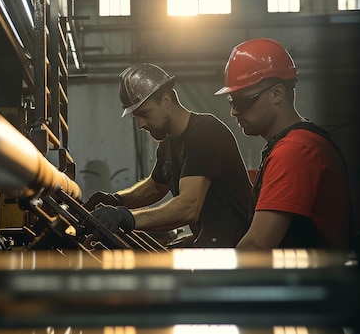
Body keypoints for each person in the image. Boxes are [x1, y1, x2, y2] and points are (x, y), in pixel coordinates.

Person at [83, 63, 253, 247]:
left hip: (242, 253)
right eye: (136, 117)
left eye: (145, 113)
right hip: (215, 247)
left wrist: (127, 217)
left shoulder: (204, 133)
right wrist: (117, 200)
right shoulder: (169, 142)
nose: (140, 124)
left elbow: (188, 207)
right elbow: (156, 187)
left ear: (166, 100)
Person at [214, 38, 352, 250]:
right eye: (231, 101)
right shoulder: (298, 143)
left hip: (307, 281)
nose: (234, 111)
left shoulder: (294, 151)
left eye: (242, 101)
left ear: (277, 94)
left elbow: (257, 245)